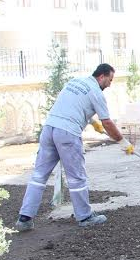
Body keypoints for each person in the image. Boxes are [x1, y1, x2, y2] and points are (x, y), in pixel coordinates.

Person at [15, 63, 133, 231]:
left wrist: (92, 121)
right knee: (77, 177)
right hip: (67, 134)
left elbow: (70, 104)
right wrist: (122, 142)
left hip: (49, 129)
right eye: (109, 80)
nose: (110, 84)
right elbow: (107, 122)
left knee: (39, 175)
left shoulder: (74, 82)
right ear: (101, 76)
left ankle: (24, 218)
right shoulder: (96, 93)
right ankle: (85, 216)